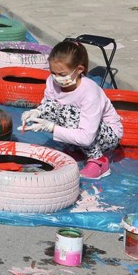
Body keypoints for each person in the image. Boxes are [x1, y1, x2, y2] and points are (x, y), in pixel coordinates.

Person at [20, 40, 123, 179]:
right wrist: (36, 112)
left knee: (68, 114)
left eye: (62, 74)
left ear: (79, 70)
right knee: (54, 109)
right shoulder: (52, 81)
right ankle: (75, 150)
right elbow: (49, 105)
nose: (56, 78)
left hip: (106, 136)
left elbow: (87, 137)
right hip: (79, 127)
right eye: (53, 73)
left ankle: (99, 162)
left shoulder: (90, 92)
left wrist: (52, 128)